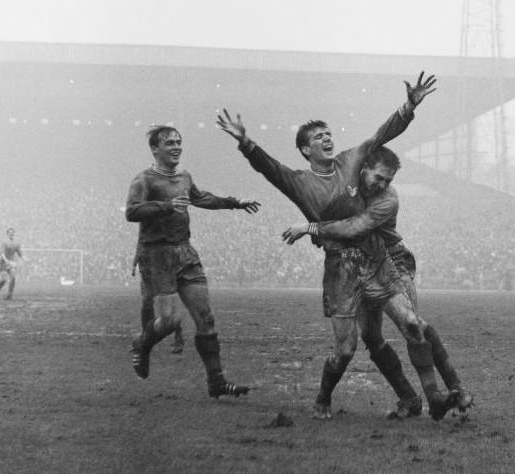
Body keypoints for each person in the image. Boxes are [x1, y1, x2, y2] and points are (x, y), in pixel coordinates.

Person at [216, 72, 459, 420]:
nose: (326, 138)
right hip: (341, 268)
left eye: (328, 133)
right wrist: (246, 142)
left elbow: (381, 134)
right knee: (346, 349)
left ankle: (434, 398)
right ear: (305, 149)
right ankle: (323, 398)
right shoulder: (299, 182)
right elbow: (267, 168)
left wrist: (409, 106)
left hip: (375, 257)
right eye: (318, 136)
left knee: (411, 324)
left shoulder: (351, 160)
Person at [281, 146, 473, 419]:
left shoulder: (387, 199)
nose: (383, 185)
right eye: (379, 178)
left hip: (391, 259)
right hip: (354, 264)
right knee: (370, 336)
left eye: (388, 180)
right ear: (363, 169)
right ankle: (410, 399)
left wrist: (311, 228)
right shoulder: (344, 187)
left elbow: (352, 227)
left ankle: (445, 393)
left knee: (412, 324)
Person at [126, 125, 261, 398]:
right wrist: (165, 206)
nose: (176, 146)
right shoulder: (144, 179)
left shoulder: (184, 177)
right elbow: (131, 211)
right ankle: (141, 342)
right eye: (169, 143)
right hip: (158, 256)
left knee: (206, 318)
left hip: (185, 252)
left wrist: (234, 202)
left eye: (179, 141)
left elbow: (200, 199)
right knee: (170, 320)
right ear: (155, 149)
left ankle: (217, 382)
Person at [132, 247, 184, 353]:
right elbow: (141, 242)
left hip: (162, 270)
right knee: (147, 301)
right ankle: (145, 338)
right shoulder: (146, 238)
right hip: (147, 269)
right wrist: (135, 263)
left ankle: (178, 336)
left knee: (168, 307)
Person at [0, 227, 23, 300]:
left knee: (13, 278)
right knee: (4, 279)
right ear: (7, 234)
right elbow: (2, 253)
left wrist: (24, 258)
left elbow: (20, 253)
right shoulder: (4, 242)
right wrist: (6, 260)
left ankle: (9, 294)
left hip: (11, 263)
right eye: (10, 232)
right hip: (4, 263)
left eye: (12, 232)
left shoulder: (16, 243)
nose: (11, 234)